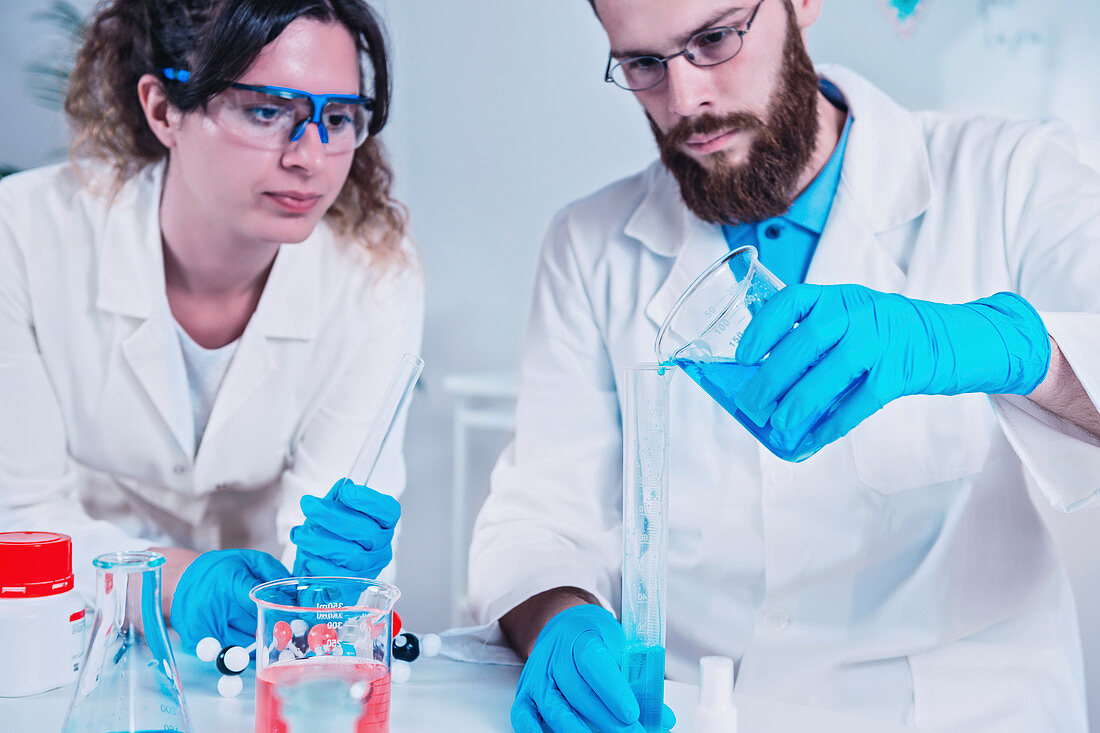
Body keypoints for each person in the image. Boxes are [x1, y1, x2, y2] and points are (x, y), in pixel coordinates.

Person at [467, 0, 1100, 730]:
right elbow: (538, 519)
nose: (685, 102)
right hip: (698, 710)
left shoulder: (1005, 174)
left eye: (714, 38)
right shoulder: (590, 247)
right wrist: (557, 619)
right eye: (644, 64)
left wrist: (999, 345)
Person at [0, 0, 422, 652]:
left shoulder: (373, 279)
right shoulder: (22, 238)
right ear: (165, 109)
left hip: (260, 648)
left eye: (337, 118)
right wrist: (176, 582)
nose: (309, 156)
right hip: (66, 638)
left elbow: (327, 560)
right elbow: (19, 520)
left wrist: (336, 581)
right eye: (265, 110)